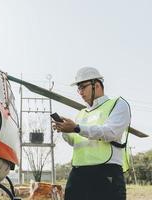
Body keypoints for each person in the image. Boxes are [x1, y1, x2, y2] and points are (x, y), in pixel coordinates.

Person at [53, 67, 130, 200]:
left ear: (97, 85)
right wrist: (64, 130)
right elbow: (75, 140)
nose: (80, 92)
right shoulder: (82, 113)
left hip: (106, 171)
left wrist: (76, 128)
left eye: (83, 87)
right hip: (79, 172)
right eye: (78, 89)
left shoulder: (117, 104)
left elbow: (111, 132)